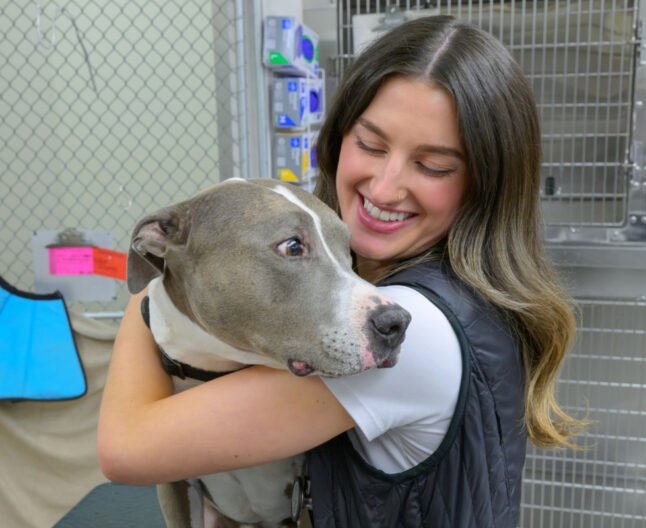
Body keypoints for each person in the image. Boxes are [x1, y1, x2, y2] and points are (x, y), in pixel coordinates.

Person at [97, 15, 584, 527]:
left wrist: (168, 263)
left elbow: (126, 449)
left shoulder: (413, 330)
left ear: (486, 184)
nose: (385, 186)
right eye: (371, 145)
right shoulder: (403, 278)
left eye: (433, 166)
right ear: (337, 137)